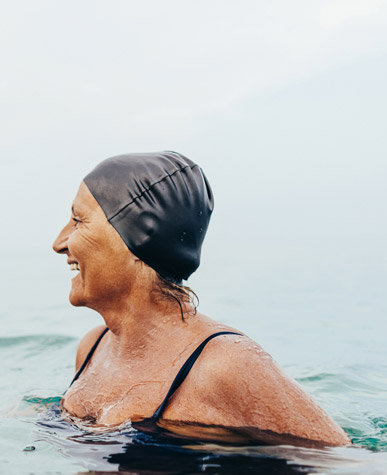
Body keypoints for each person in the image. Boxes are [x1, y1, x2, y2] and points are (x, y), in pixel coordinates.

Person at [51, 151, 350, 447]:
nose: (59, 243)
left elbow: (360, 468)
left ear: (139, 237)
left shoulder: (224, 364)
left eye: (78, 221)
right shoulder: (93, 348)